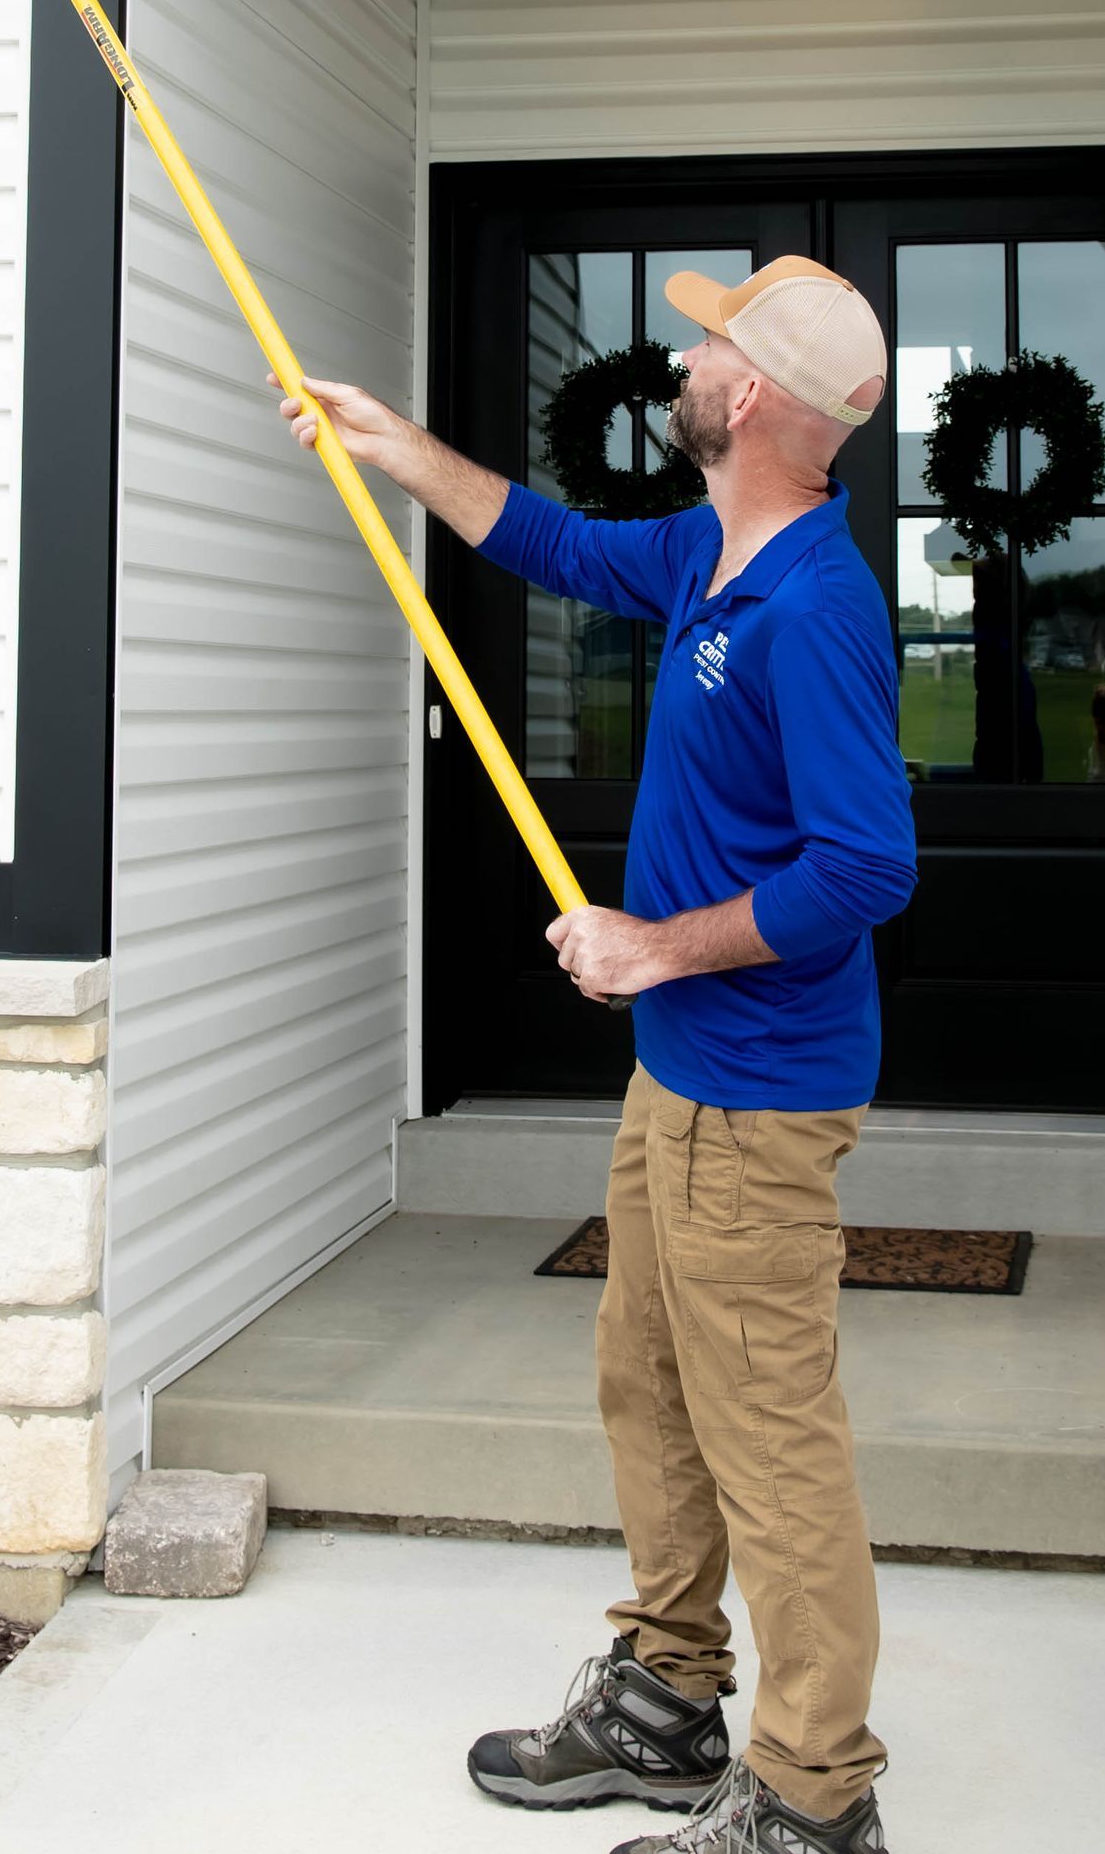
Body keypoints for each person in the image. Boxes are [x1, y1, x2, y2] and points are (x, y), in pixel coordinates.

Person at [277, 255, 916, 1854]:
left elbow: (865, 870)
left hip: (759, 1097)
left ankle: (812, 1796)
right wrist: (397, 447)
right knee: (649, 1385)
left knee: (770, 1439)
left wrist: (654, 945)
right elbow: (554, 542)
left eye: (709, 344)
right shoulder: (715, 550)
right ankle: (665, 1698)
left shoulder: (814, 609)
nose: (685, 360)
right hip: (684, 1082)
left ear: (751, 395)